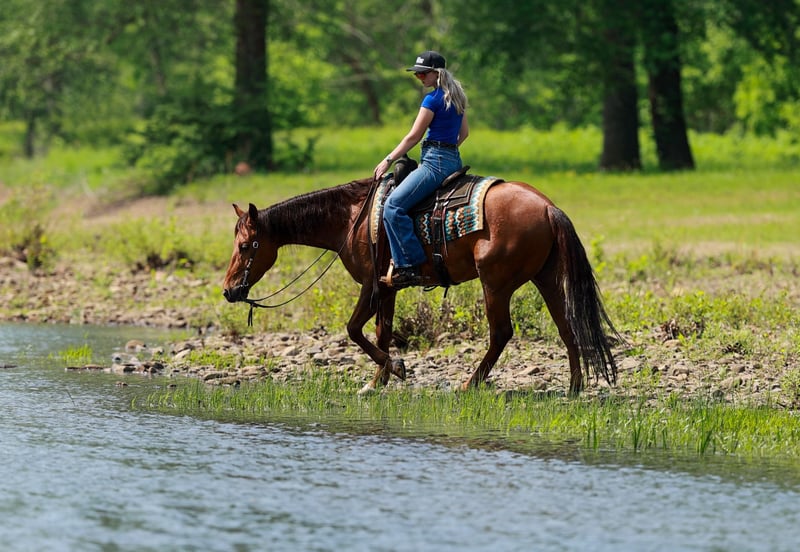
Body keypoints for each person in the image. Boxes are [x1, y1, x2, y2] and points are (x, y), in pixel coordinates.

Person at [373, 50, 469, 289]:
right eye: (417, 74)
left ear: (437, 73)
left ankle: (409, 265)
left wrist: (388, 159)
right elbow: (464, 134)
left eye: (423, 74)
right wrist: (448, 151)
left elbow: (413, 136)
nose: (419, 78)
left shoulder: (432, 100)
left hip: (434, 164)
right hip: (453, 160)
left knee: (393, 206)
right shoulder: (458, 97)